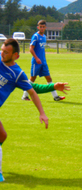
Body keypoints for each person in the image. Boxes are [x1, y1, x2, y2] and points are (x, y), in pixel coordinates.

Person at [0, 38, 49, 181]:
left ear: (16, 55)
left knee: (2, 136)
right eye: (2, 50)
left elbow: (33, 91)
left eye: (6, 52)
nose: (2, 54)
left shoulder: (17, 74)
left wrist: (42, 113)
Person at [22, 20, 65, 101]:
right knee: (32, 79)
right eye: (40, 27)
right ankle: (24, 96)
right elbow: (31, 48)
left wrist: (43, 59)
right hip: (36, 62)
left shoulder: (44, 37)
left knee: (49, 78)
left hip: (43, 62)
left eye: (43, 27)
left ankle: (55, 97)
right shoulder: (36, 36)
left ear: (45, 27)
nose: (42, 28)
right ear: (38, 27)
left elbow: (42, 50)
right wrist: (36, 58)